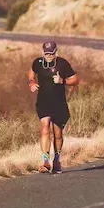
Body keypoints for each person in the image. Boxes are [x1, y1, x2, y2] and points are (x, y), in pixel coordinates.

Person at [28, 40, 79, 173]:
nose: (49, 55)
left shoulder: (62, 64)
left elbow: (75, 80)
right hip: (43, 101)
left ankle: (56, 159)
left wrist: (63, 81)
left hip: (59, 103)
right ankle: (45, 162)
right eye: (46, 53)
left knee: (57, 133)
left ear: (56, 52)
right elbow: (32, 72)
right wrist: (31, 82)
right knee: (45, 128)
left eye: (51, 53)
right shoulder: (38, 63)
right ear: (42, 52)